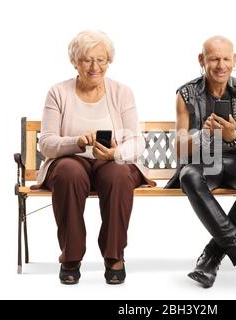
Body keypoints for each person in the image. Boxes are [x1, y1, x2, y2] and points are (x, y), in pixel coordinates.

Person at [34, 30, 155, 285]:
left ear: (109, 61)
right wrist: (76, 142)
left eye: (101, 59)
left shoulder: (122, 92)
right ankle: (71, 256)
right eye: (87, 59)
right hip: (71, 160)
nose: (95, 66)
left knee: (120, 174)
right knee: (69, 172)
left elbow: (136, 140)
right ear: (75, 61)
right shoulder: (58, 92)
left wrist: (115, 153)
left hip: (110, 160)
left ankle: (114, 256)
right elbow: (46, 143)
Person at [165, 35, 236, 290]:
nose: (220, 65)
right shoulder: (186, 94)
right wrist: (204, 135)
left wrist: (232, 136)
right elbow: (180, 148)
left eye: (226, 58)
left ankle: (210, 258)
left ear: (234, 60)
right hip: (202, 163)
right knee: (188, 175)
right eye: (214, 58)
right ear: (202, 60)